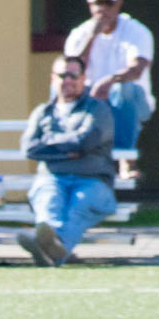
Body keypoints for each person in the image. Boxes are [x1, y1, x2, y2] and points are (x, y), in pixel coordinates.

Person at [16, 56, 116, 267]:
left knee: (78, 206)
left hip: (93, 181)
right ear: (53, 79)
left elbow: (86, 141)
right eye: (62, 75)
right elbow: (29, 148)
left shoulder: (98, 109)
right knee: (49, 204)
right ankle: (53, 249)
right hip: (52, 178)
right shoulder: (43, 112)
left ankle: (47, 248)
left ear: (83, 78)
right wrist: (69, 152)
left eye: (73, 75)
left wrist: (51, 147)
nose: (67, 80)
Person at [64, 0, 154, 181]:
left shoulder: (136, 31)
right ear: (90, 5)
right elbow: (72, 72)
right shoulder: (79, 34)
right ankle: (69, 155)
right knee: (62, 88)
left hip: (133, 101)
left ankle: (126, 160)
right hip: (92, 100)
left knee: (123, 89)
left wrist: (110, 80)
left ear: (119, 4)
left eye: (109, 3)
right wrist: (92, 37)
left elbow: (137, 68)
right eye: (98, 3)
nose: (103, 9)